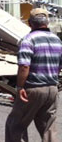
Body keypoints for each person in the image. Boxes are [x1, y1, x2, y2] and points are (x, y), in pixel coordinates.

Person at [5, 8, 62, 142]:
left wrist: (20, 87)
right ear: (47, 23)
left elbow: (24, 66)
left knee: (16, 124)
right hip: (52, 88)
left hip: (33, 88)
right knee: (48, 127)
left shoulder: (28, 40)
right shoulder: (57, 41)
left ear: (30, 23)